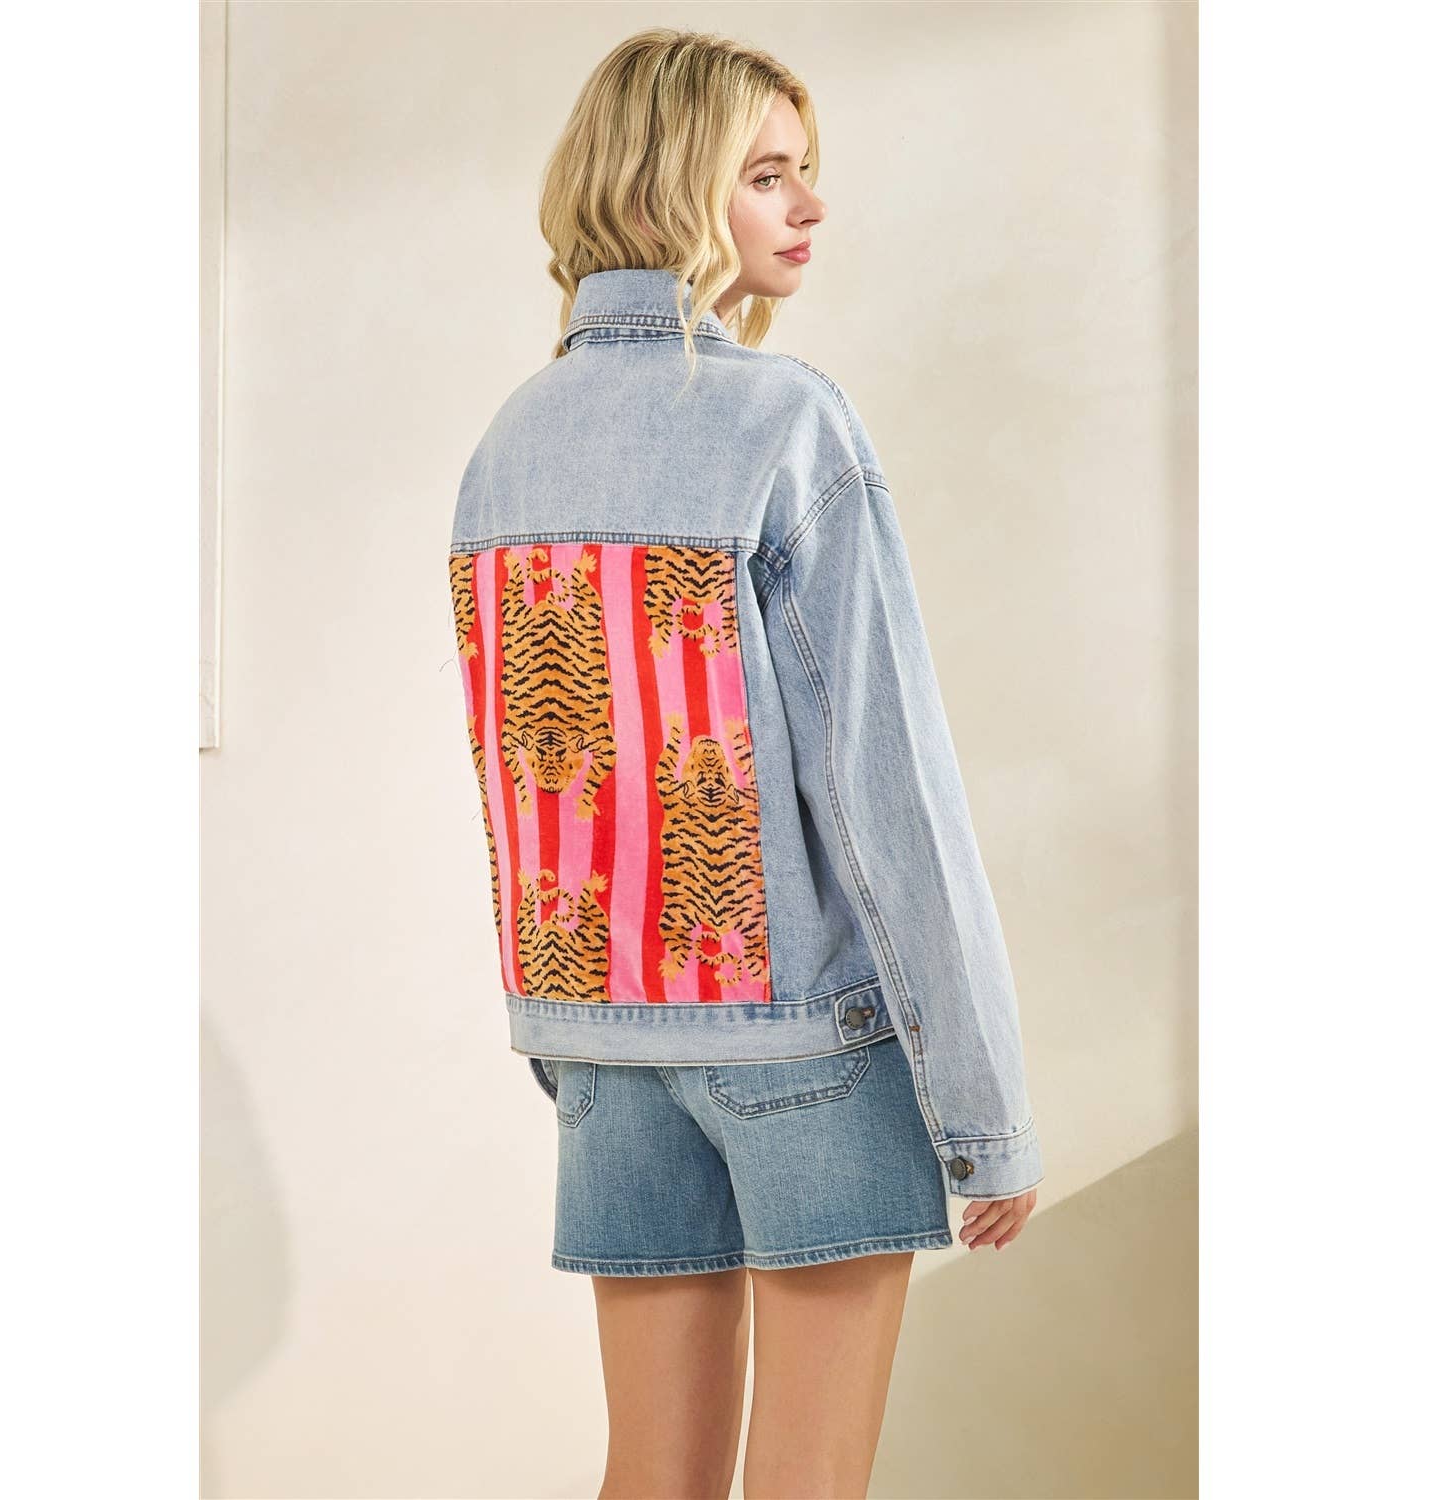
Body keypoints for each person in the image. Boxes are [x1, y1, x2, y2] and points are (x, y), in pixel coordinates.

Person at [448, 28, 1043, 1500]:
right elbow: (887, 784)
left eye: (805, 171)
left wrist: (574, 1039)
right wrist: (984, 1108)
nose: (810, 205)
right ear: (671, 186)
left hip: (606, 1050)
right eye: (767, 174)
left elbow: (527, 773)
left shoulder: (509, 443)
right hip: (803, 1048)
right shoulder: (786, 420)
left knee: (649, 1477)